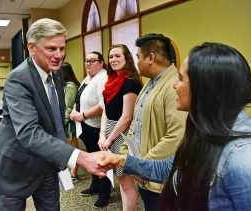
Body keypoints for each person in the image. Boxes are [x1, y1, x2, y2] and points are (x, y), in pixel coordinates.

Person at [100, 42, 251, 210]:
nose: (175, 84)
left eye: (181, 79)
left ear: (204, 87)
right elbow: (172, 167)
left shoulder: (246, 158)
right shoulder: (205, 129)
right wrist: (122, 160)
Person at [0, 18, 107, 211]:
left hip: (47, 163)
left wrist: (62, 159)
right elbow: (28, 132)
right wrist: (80, 157)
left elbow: (55, 121)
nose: (59, 55)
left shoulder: (56, 74)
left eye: (62, 48)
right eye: (51, 49)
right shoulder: (18, 79)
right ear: (32, 48)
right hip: (15, 166)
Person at [120, 33, 187, 210]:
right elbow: (136, 122)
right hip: (145, 173)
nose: (137, 62)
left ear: (151, 58)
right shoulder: (149, 84)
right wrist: (126, 152)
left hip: (159, 178)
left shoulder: (174, 86)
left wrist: (143, 166)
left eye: (138, 57)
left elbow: (176, 136)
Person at [98, 44, 142, 210]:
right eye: (111, 57)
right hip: (109, 133)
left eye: (118, 56)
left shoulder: (130, 82)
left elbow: (126, 118)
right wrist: (102, 135)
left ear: (127, 58)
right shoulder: (111, 81)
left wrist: (108, 139)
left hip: (122, 134)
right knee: (121, 180)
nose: (113, 59)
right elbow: (106, 111)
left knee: (125, 181)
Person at [70, 51, 111, 208]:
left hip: (95, 126)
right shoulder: (89, 78)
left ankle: (104, 193)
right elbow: (80, 98)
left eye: (92, 61)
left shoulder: (103, 77)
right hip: (85, 125)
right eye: (86, 61)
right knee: (90, 158)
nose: (88, 64)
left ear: (101, 63)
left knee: (101, 162)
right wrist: (75, 111)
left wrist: (83, 115)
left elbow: (103, 105)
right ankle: (95, 186)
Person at [60, 62, 81, 181]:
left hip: (69, 123)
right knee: (66, 149)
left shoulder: (70, 86)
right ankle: (69, 172)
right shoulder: (63, 85)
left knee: (73, 149)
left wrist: (61, 123)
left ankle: (74, 173)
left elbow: (68, 107)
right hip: (65, 121)